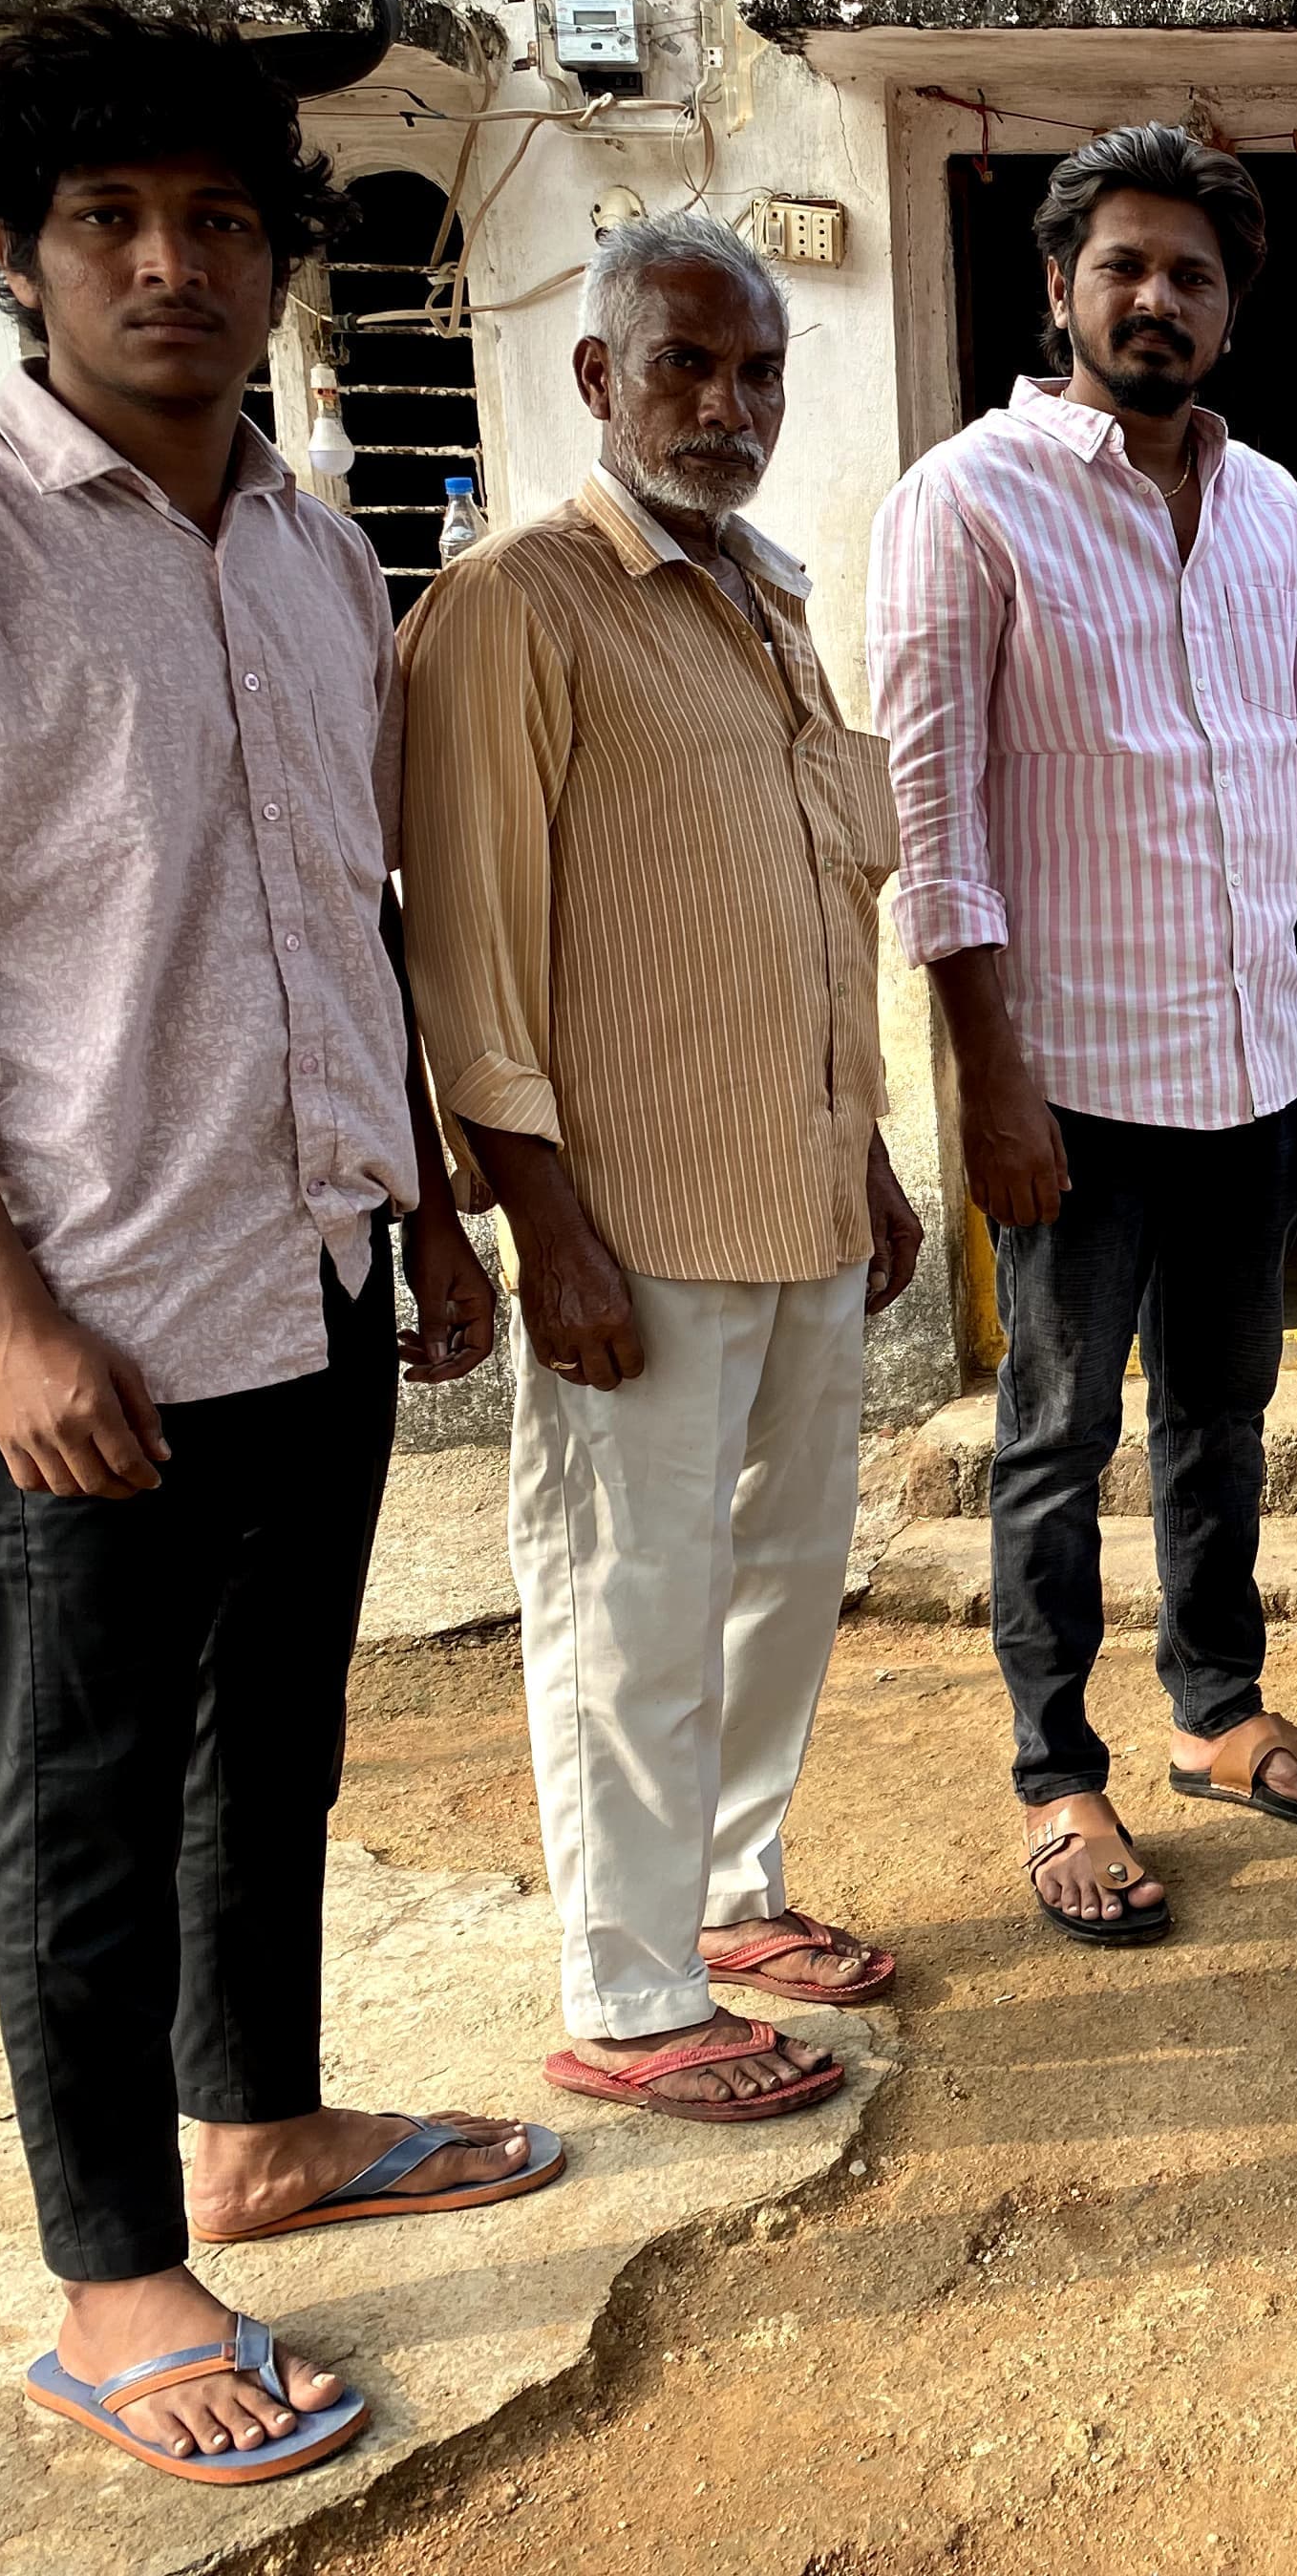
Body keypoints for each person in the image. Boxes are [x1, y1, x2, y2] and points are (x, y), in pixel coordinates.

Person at [0, 4, 542, 2485]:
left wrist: (426, 1207)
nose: (168, 264)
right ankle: (114, 2282)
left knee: (274, 1744)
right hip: (90, 1304)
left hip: (312, 1264)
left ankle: (265, 2129)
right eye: (106, 219)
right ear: (19, 251)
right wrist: (2, 1320)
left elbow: (355, 906)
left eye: (218, 219)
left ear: (282, 258)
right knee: (83, 1798)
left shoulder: (322, 554)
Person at [400, 211, 925, 2125]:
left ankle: (727, 1892)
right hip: (631, 1219)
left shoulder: (765, 598)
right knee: (626, 1599)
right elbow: (465, 945)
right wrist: (543, 1228)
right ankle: (627, 1995)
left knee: (779, 1571)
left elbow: (817, 903)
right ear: (597, 377)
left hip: (800, 1190)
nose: (728, 405)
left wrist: (872, 1153)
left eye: (758, 370)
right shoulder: (518, 603)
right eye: (687, 364)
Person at [871, 124, 1297, 1946]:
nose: (1157, 299)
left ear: (1231, 306)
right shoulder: (967, 500)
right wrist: (987, 1082)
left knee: (1223, 1412)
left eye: (1193, 272)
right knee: (1049, 1433)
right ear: (1059, 288)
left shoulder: (1277, 510)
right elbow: (935, 829)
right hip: (1074, 1085)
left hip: (1254, 1063)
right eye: (1124, 266)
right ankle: (1056, 1770)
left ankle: (1216, 1708)